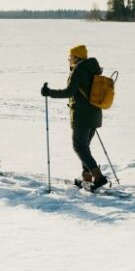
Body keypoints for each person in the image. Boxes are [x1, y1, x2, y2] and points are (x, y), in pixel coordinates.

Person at [42, 44, 108, 191]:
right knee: (84, 147)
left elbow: (69, 92)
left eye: (70, 57)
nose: (69, 60)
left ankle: (98, 177)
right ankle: (87, 178)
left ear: (77, 57)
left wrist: (49, 92)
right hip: (95, 114)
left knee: (79, 146)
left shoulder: (79, 70)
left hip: (82, 116)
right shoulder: (92, 68)